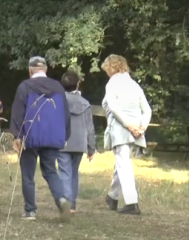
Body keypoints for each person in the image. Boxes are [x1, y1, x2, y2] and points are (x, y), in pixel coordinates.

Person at [10, 56, 71, 222]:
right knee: (51, 171)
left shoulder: (25, 86)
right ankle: (62, 200)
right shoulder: (58, 87)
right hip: (52, 137)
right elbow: (65, 113)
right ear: (45, 70)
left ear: (30, 70)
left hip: (30, 135)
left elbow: (18, 112)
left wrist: (17, 135)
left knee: (28, 174)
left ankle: (30, 211)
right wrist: (65, 135)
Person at [101, 54, 151, 215]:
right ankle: (113, 197)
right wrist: (142, 127)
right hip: (136, 129)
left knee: (123, 164)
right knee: (122, 162)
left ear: (111, 68)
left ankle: (131, 202)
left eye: (106, 70)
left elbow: (114, 108)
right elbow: (147, 110)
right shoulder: (134, 85)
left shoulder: (112, 84)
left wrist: (128, 124)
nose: (106, 73)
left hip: (122, 128)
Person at [58, 70, 96, 214]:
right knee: (74, 173)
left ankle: (66, 202)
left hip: (62, 142)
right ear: (78, 84)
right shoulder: (85, 104)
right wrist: (91, 148)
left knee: (64, 173)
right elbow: (90, 128)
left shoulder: (58, 101)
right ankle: (72, 205)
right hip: (80, 143)